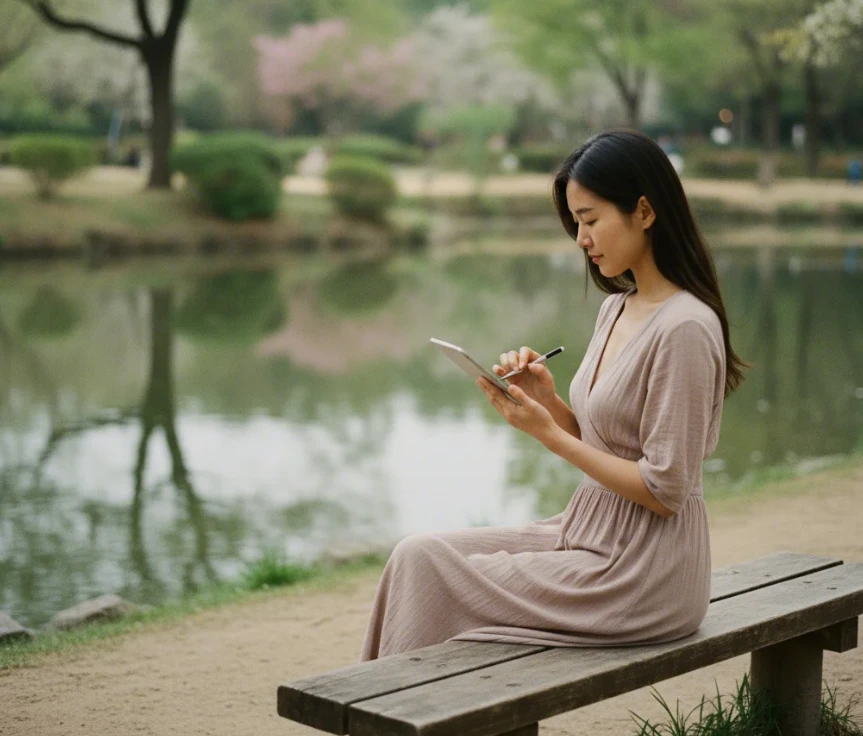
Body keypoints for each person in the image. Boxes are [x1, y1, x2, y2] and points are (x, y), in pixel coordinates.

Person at [359, 129, 748, 662]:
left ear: (644, 211)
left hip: (644, 572)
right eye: (576, 225)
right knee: (416, 554)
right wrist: (549, 404)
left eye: (590, 220)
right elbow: (608, 445)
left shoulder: (686, 328)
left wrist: (547, 437)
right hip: (587, 532)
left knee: (434, 576)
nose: (582, 240)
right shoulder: (617, 308)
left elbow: (665, 490)